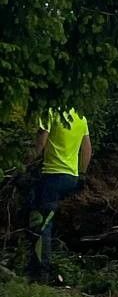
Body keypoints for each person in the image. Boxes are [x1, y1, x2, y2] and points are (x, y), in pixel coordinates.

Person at [28, 107, 90, 284]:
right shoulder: (81, 116)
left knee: (42, 223)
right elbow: (87, 149)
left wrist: (25, 165)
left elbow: (40, 143)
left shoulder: (50, 112)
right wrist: (82, 174)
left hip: (52, 175)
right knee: (50, 220)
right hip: (71, 177)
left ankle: (41, 273)